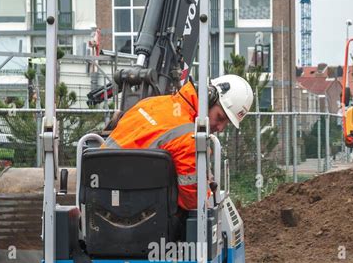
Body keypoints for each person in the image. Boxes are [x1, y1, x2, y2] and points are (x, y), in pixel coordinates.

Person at [102, 74, 254, 210]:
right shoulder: (189, 139)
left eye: (226, 123)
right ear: (209, 98)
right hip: (137, 211)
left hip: (100, 194)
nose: (220, 127)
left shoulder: (151, 103)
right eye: (220, 117)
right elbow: (194, 202)